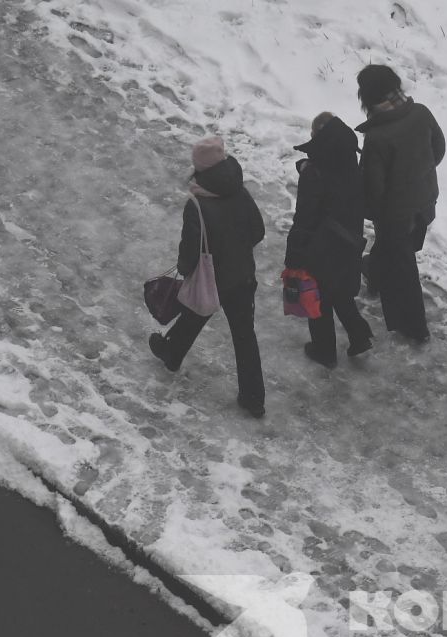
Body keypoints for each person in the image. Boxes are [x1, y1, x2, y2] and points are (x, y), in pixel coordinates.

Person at [148, 137, 267, 418]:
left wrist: (185, 269)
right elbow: (258, 232)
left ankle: (172, 353)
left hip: (213, 278)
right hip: (243, 276)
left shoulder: (198, 205)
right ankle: (253, 398)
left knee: (195, 311)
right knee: (244, 335)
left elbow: (190, 250)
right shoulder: (241, 192)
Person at [357, 65, 445, 344]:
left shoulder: (377, 137)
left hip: (396, 214)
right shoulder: (421, 113)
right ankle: (373, 272)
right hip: (425, 202)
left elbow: (374, 187)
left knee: (404, 267)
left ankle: (416, 327)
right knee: (397, 251)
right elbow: (438, 149)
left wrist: (368, 210)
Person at [287, 113, 374, 368]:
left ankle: (324, 350)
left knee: (319, 298)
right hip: (349, 240)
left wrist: (294, 253)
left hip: (320, 245)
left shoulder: (315, 174)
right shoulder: (350, 165)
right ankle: (359, 335)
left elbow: (305, 216)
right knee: (340, 291)